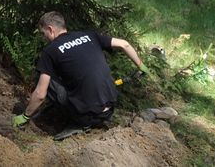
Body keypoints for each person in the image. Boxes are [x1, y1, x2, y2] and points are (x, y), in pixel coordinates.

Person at [12, 11, 150, 136]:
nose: (44, 38)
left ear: (50, 29)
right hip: (109, 110)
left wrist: (25, 116)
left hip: (86, 116)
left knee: (44, 76)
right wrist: (141, 65)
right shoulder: (89, 35)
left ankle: (75, 119)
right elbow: (124, 44)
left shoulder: (50, 51)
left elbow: (40, 94)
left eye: (43, 34)